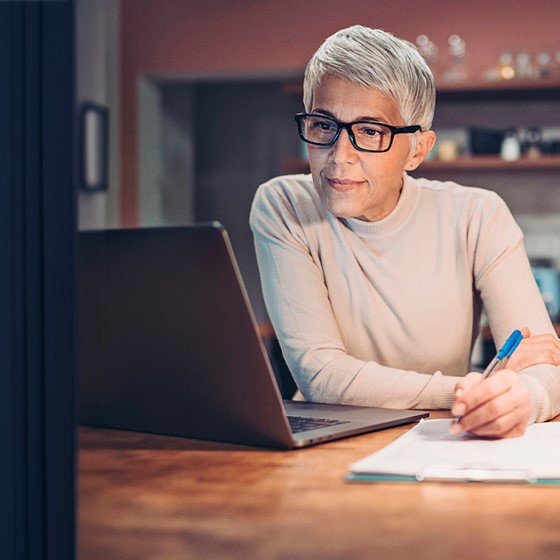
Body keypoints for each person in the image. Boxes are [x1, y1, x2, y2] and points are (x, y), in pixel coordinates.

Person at [250, 25, 560, 438]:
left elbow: (544, 366)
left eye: (371, 132)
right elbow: (321, 375)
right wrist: (470, 390)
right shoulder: (283, 206)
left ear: (417, 149)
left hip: (443, 440)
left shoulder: (478, 215)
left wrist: (524, 398)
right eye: (324, 125)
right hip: (329, 446)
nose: (339, 157)